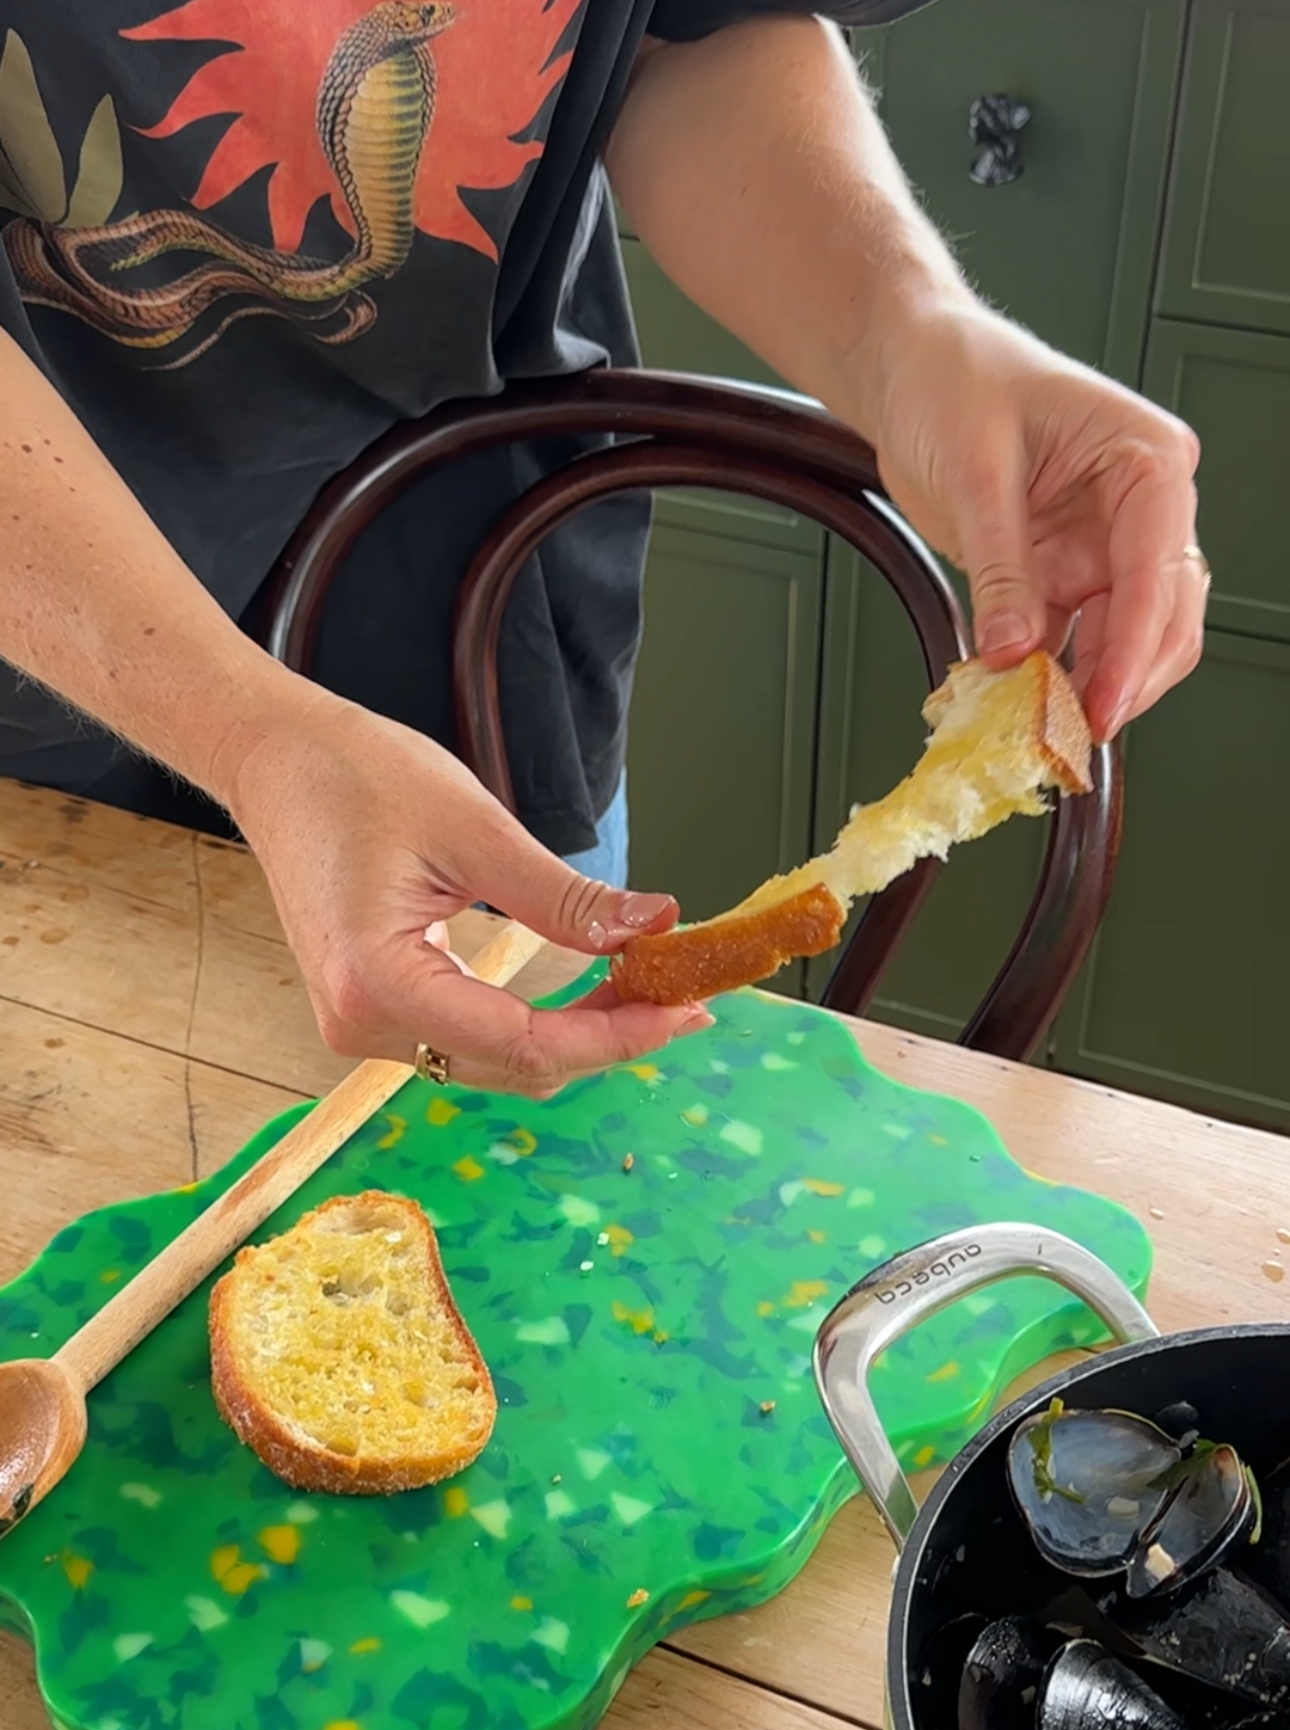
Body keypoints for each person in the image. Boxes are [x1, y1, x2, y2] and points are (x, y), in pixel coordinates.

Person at [0, 1, 1206, 1097]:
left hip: (480, 640)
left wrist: (908, 331)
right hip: (44, 699)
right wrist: (251, 734)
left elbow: (684, 36)